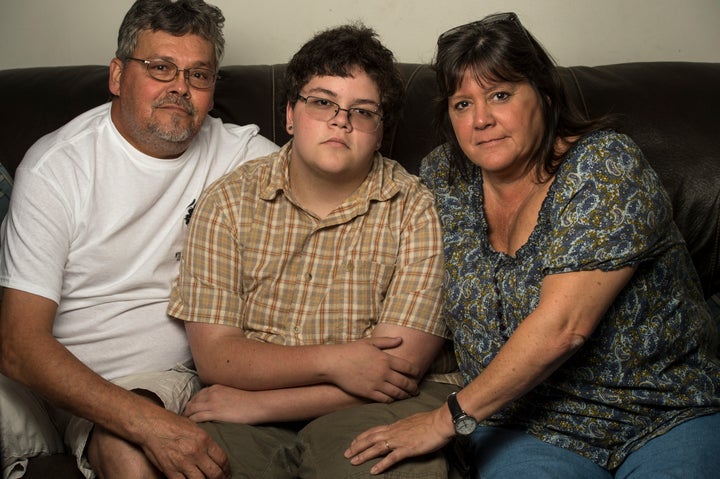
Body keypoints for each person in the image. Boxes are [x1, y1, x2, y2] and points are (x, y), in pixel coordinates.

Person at [345, 12, 720, 478]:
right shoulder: (444, 177)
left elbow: (565, 326)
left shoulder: (604, 166)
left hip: (662, 414)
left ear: (543, 94)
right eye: (462, 104)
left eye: (500, 95)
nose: (481, 119)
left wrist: (448, 419)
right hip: (525, 426)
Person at [167, 23, 461, 478]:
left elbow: (395, 374)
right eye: (322, 102)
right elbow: (216, 357)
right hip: (240, 409)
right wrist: (336, 360)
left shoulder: (416, 209)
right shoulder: (226, 201)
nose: (340, 120)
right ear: (289, 114)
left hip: (373, 408)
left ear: (381, 132)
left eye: (362, 111)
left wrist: (262, 405)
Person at [0, 0, 278, 477]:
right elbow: (19, 343)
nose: (180, 88)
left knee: (128, 449)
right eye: (160, 68)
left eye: (199, 75)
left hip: (148, 377)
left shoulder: (243, 156)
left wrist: (141, 420)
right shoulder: (56, 168)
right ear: (116, 76)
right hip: (35, 381)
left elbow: (330, 184)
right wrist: (146, 423)